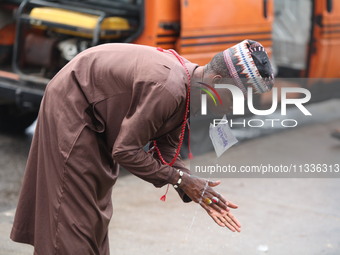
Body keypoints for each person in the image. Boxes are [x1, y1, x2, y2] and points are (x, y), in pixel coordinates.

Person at [10, 40, 274, 254]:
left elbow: (165, 150)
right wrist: (182, 179)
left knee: (93, 215)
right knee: (71, 214)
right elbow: (125, 151)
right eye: (238, 99)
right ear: (216, 82)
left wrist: (193, 186)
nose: (236, 108)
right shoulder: (169, 89)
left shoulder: (190, 85)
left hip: (97, 112)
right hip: (73, 104)